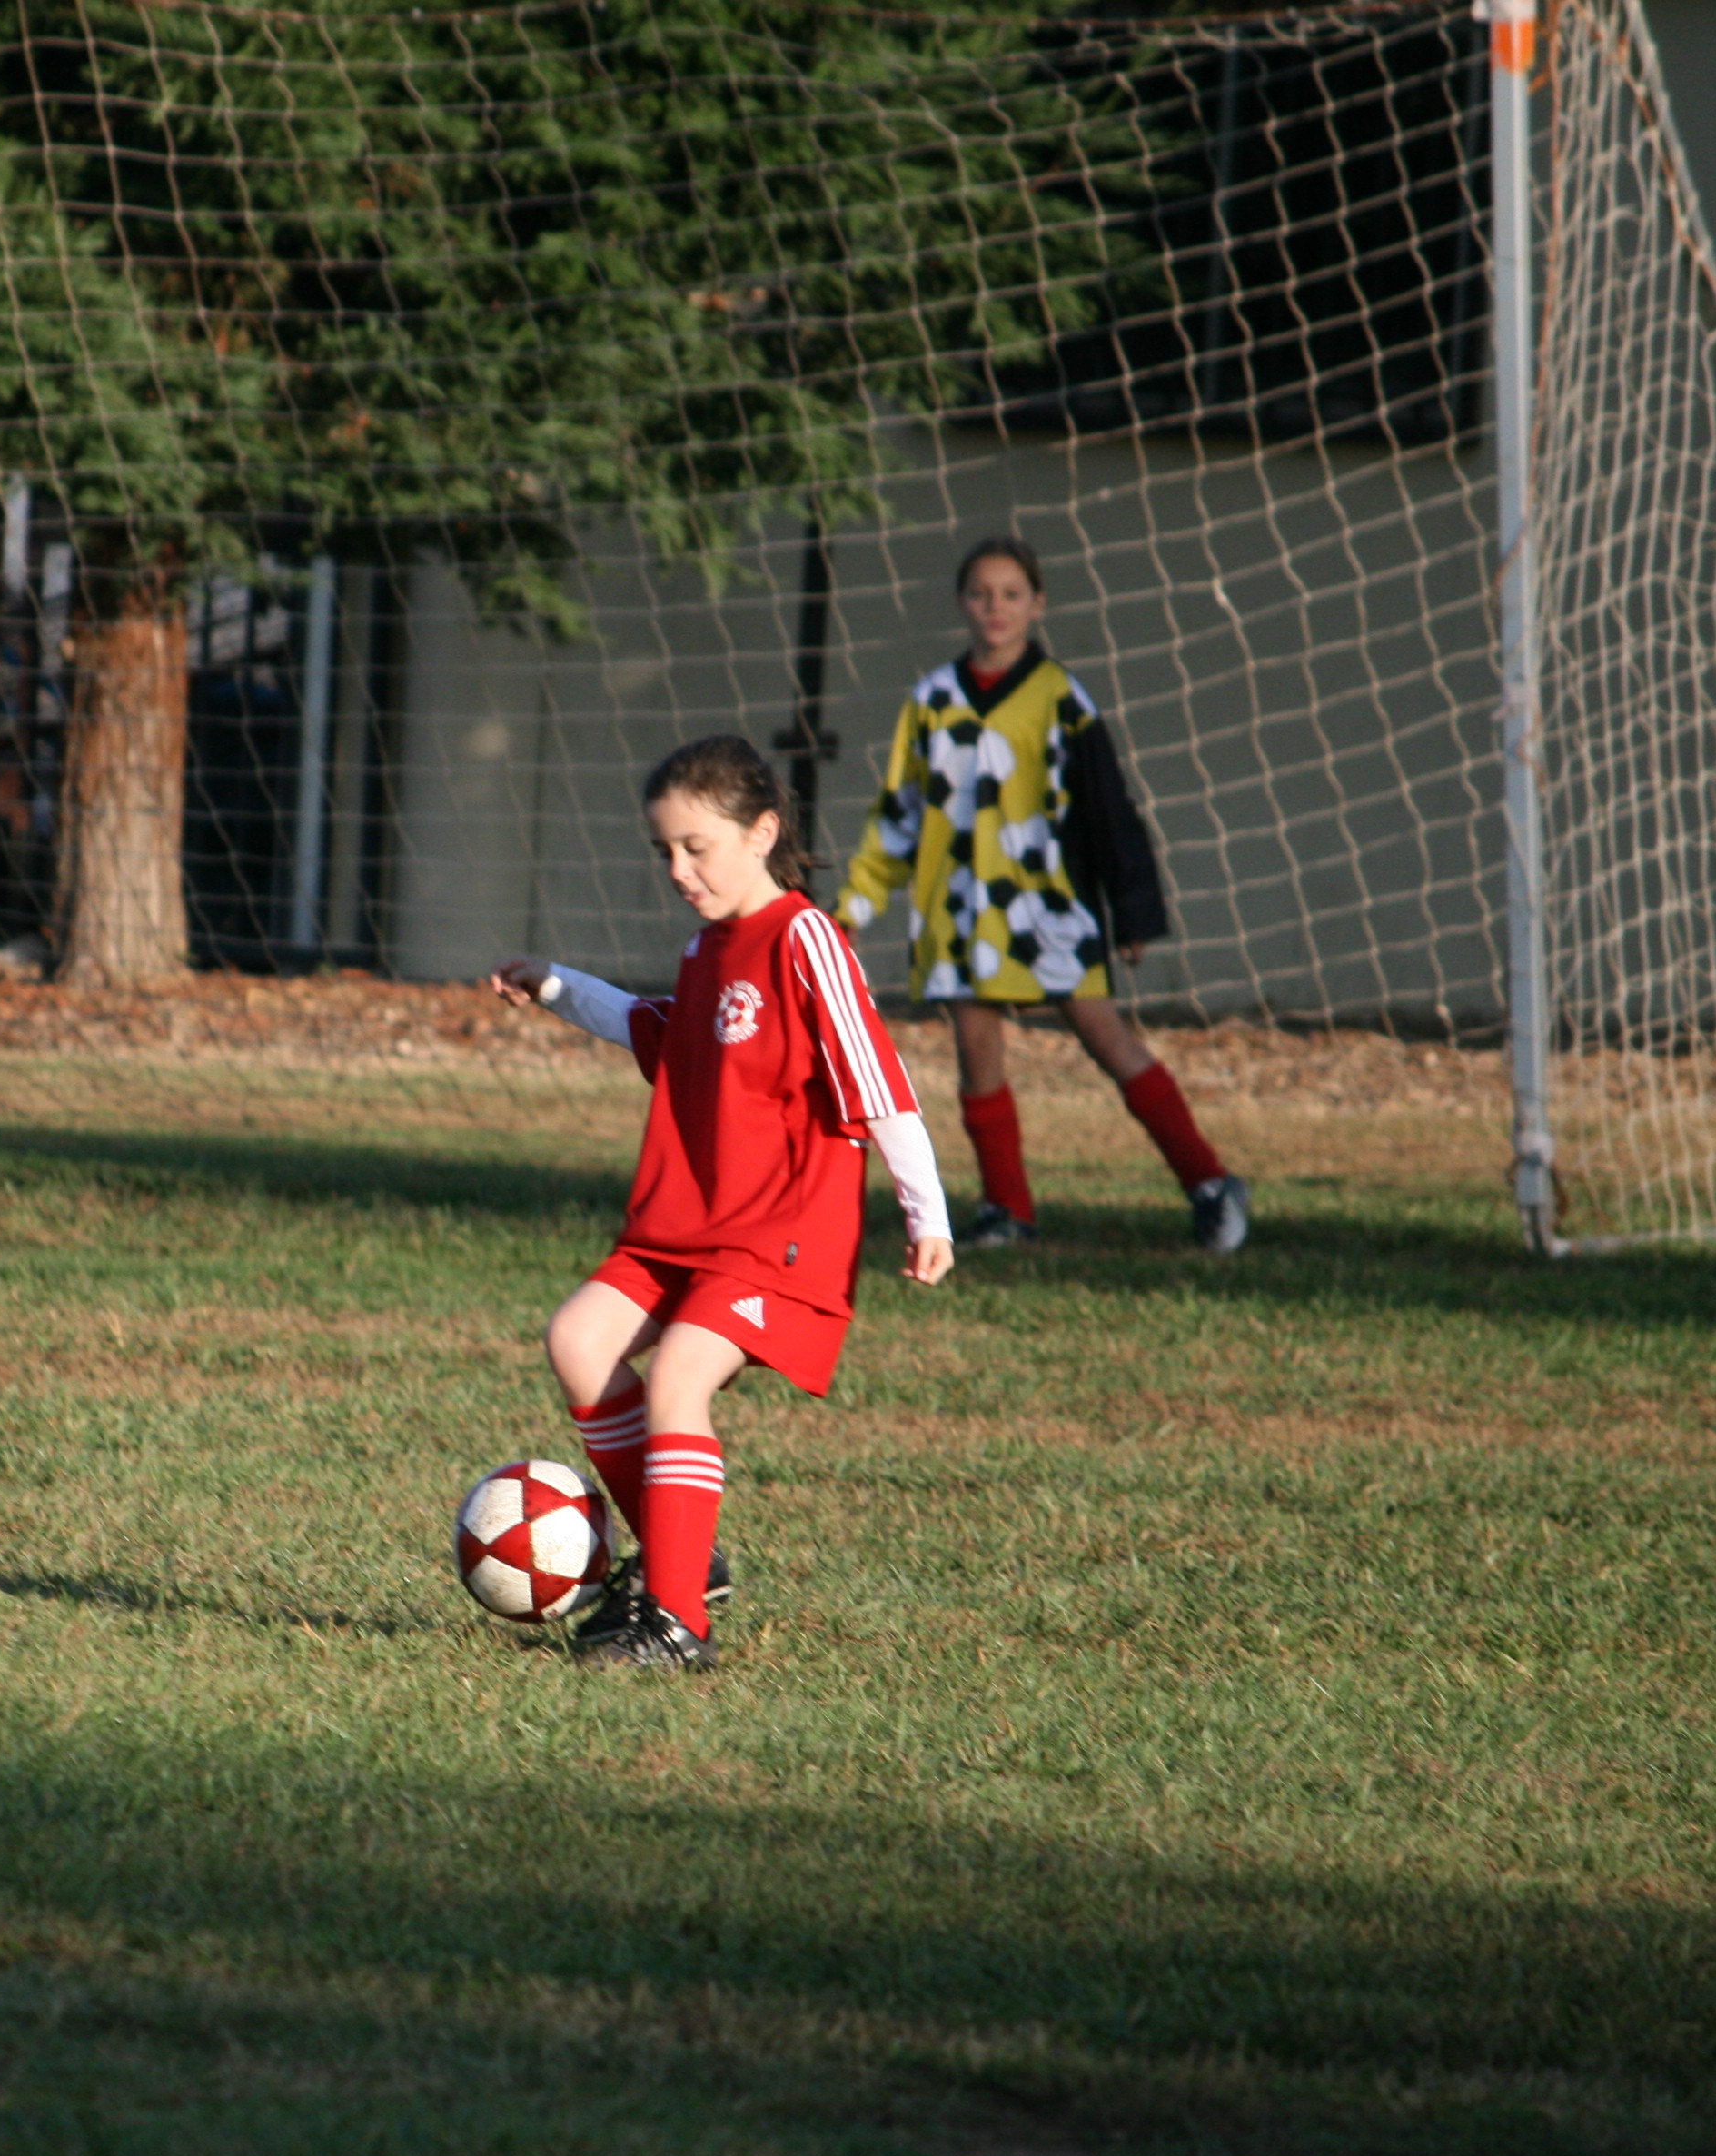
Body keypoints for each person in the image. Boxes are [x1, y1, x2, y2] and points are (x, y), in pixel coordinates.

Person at [489, 736, 955, 1671]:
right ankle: (681, 1560)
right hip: (687, 1226)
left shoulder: (804, 938)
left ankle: (676, 1622)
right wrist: (555, 985)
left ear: (762, 833)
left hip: (778, 1238)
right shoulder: (707, 949)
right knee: (578, 1340)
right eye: (664, 850)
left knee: (677, 1379)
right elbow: (653, 1027)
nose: (678, 869)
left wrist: (928, 1212)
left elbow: (876, 1079)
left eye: (696, 847)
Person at [838, 533, 1250, 1253]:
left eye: (1010, 594)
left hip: (1050, 909)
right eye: (980, 593)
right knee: (976, 1050)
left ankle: (1209, 1182)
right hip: (959, 913)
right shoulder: (932, 700)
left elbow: (1108, 808)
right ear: (961, 603)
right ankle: (1006, 1208)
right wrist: (855, 907)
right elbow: (899, 814)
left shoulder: (1062, 698)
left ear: (1037, 604)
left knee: (1105, 1037)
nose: (994, 607)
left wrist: (1133, 910)